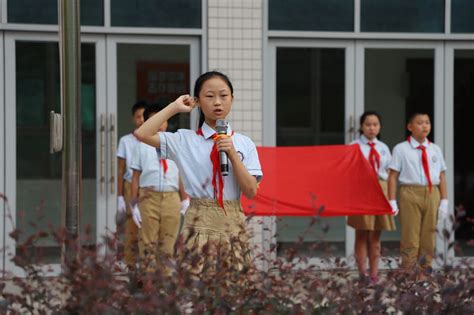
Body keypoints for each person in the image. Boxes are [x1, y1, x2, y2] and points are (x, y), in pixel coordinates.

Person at [134, 71, 263, 273]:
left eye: (223, 95)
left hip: (233, 223)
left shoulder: (243, 143)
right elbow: (142, 134)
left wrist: (232, 154)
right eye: (209, 96)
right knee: (197, 290)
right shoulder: (184, 140)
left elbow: (251, 191)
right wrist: (174, 107)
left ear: (232, 99)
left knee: (233, 290)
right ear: (198, 101)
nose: (217, 102)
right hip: (199, 222)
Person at [129, 103, 189, 275]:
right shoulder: (141, 145)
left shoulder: (175, 143)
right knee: (148, 242)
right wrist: (134, 204)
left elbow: (180, 174)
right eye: (155, 119)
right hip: (149, 196)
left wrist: (184, 199)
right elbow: (135, 177)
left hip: (171, 197)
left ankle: (165, 285)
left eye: (163, 119)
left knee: (168, 241)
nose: (160, 123)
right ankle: (148, 285)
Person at [388, 112, 448, 278]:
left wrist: (444, 200)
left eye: (427, 122)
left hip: (431, 192)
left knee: (429, 237)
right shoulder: (401, 149)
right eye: (420, 123)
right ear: (410, 127)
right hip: (410, 192)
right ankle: (409, 274)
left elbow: (442, 175)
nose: (425, 126)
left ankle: (424, 276)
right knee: (411, 237)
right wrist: (392, 200)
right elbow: (393, 175)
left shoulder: (435, 149)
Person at [347, 111, 396, 284]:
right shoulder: (354, 146)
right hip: (361, 190)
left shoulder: (383, 148)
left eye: (375, 124)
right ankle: (362, 273)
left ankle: (374, 273)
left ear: (379, 127)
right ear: (361, 126)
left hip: (380, 189)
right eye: (368, 124)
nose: (372, 128)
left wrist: (391, 198)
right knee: (361, 233)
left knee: (375, 236)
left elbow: (390, 174)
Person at [116, 100, 147, 270]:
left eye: (144, 116)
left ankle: (147, 266)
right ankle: (131, 266)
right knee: (132, 227)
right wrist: (120, 196)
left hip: (149, 187)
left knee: (148, 227)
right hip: (130, 186)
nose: (141, 120)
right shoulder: (126, 141)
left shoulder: (155, 139)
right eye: (138, 117)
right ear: (133, 119)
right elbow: (120, 170)